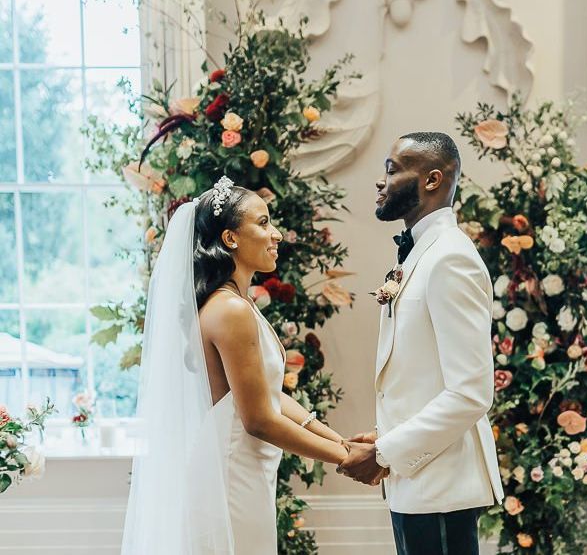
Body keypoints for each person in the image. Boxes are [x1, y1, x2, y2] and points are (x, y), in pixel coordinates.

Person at [121, 176, 364, 555]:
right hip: (231, 475)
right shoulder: (230, 310)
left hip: (244, 468)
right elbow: (258, 419)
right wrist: (346, 458)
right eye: (264, 223)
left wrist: (340, 441)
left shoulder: (237, 303)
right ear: (231, 238)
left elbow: (270, 396)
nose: (278, 234)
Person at [339, 133, 503, 555]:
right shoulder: (420, 253)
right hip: (417, 481)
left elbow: (471, 393)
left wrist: (385, 451)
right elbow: (422, 372)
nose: (381, 181)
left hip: (442, 486)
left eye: (392, 170)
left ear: (432, 180)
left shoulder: (451, 257)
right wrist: (385, 435)